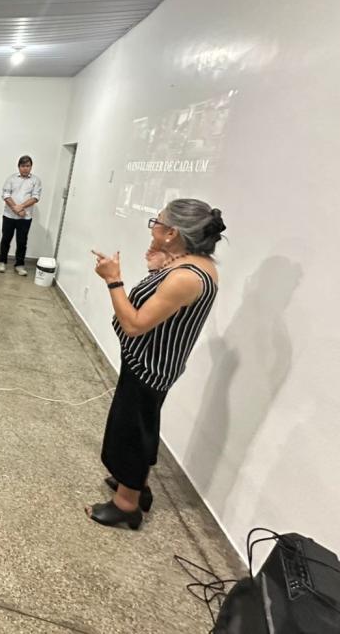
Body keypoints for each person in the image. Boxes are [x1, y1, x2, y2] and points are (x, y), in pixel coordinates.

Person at [88, 200, 224, 530]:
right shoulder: (192, 263)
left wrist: (113, 280)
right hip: (153, 360)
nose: (153, 227)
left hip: (150, 364)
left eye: (157, 222)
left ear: (172, 232)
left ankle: (126, 505)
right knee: (141, 423)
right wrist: (157, 266)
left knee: (131, 430)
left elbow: (135, 324)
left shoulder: (187, 277)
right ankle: (135, 485)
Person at [0, 155, 43, 276]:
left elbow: (35, 197)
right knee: (6, 239)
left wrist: (21, 207)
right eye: (23, 166)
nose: (25, 168)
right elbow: (5, 195)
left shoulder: (35, 180)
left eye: (28, 166)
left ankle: (19, 265)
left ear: (31, 167)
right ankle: (2, 262)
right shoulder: (11, 179)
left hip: (25, 217)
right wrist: (16, 209)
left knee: (22, 242)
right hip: (9, 215)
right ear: (19, 167)